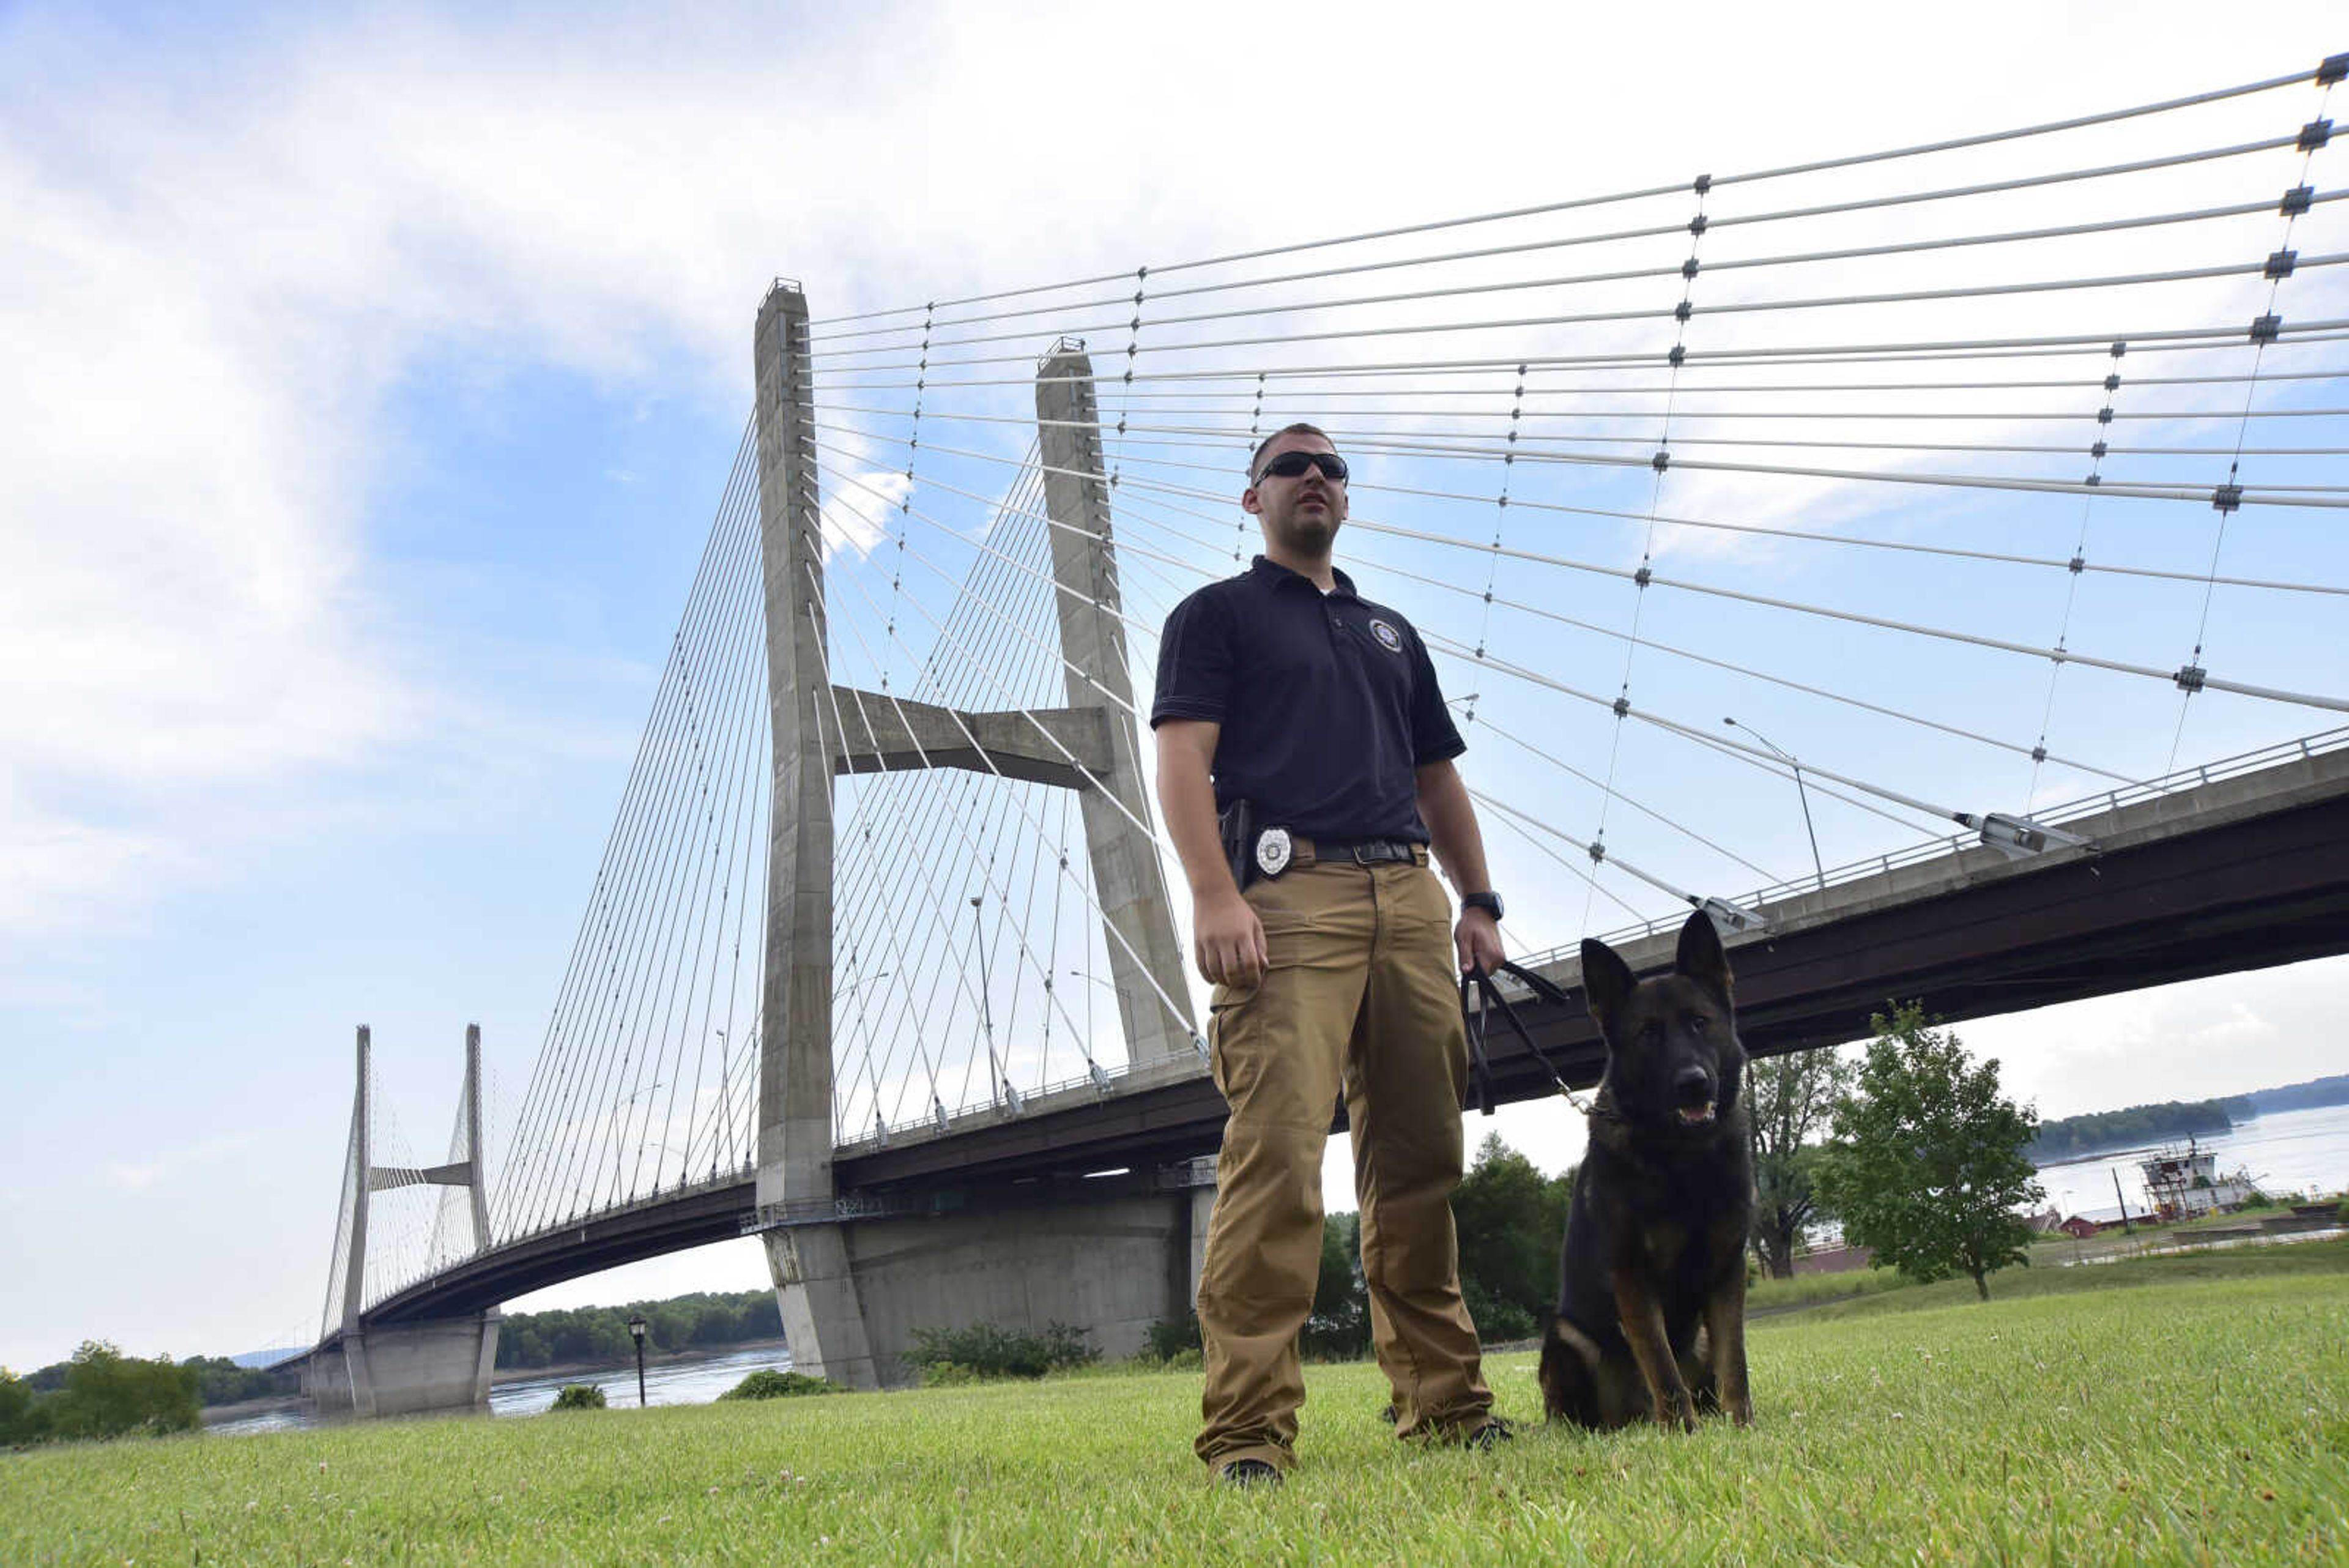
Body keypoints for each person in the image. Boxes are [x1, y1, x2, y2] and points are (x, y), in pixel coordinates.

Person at [1151, 422, 1510, 1487]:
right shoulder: (1213, 617)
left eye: (1332, 468)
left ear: (1346, 501)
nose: (1316, 477)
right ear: (1251, 498)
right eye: (1291, 466)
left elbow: (1438, 778)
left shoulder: (1391, 631)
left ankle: (1448, 1407)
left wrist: (1477, 901)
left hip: (1408, 894)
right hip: (1288, 894)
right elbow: (1182, 757)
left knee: (1418, 1168)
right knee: (1277, 1164)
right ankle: (1249, 1435)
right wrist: (1215, 892)